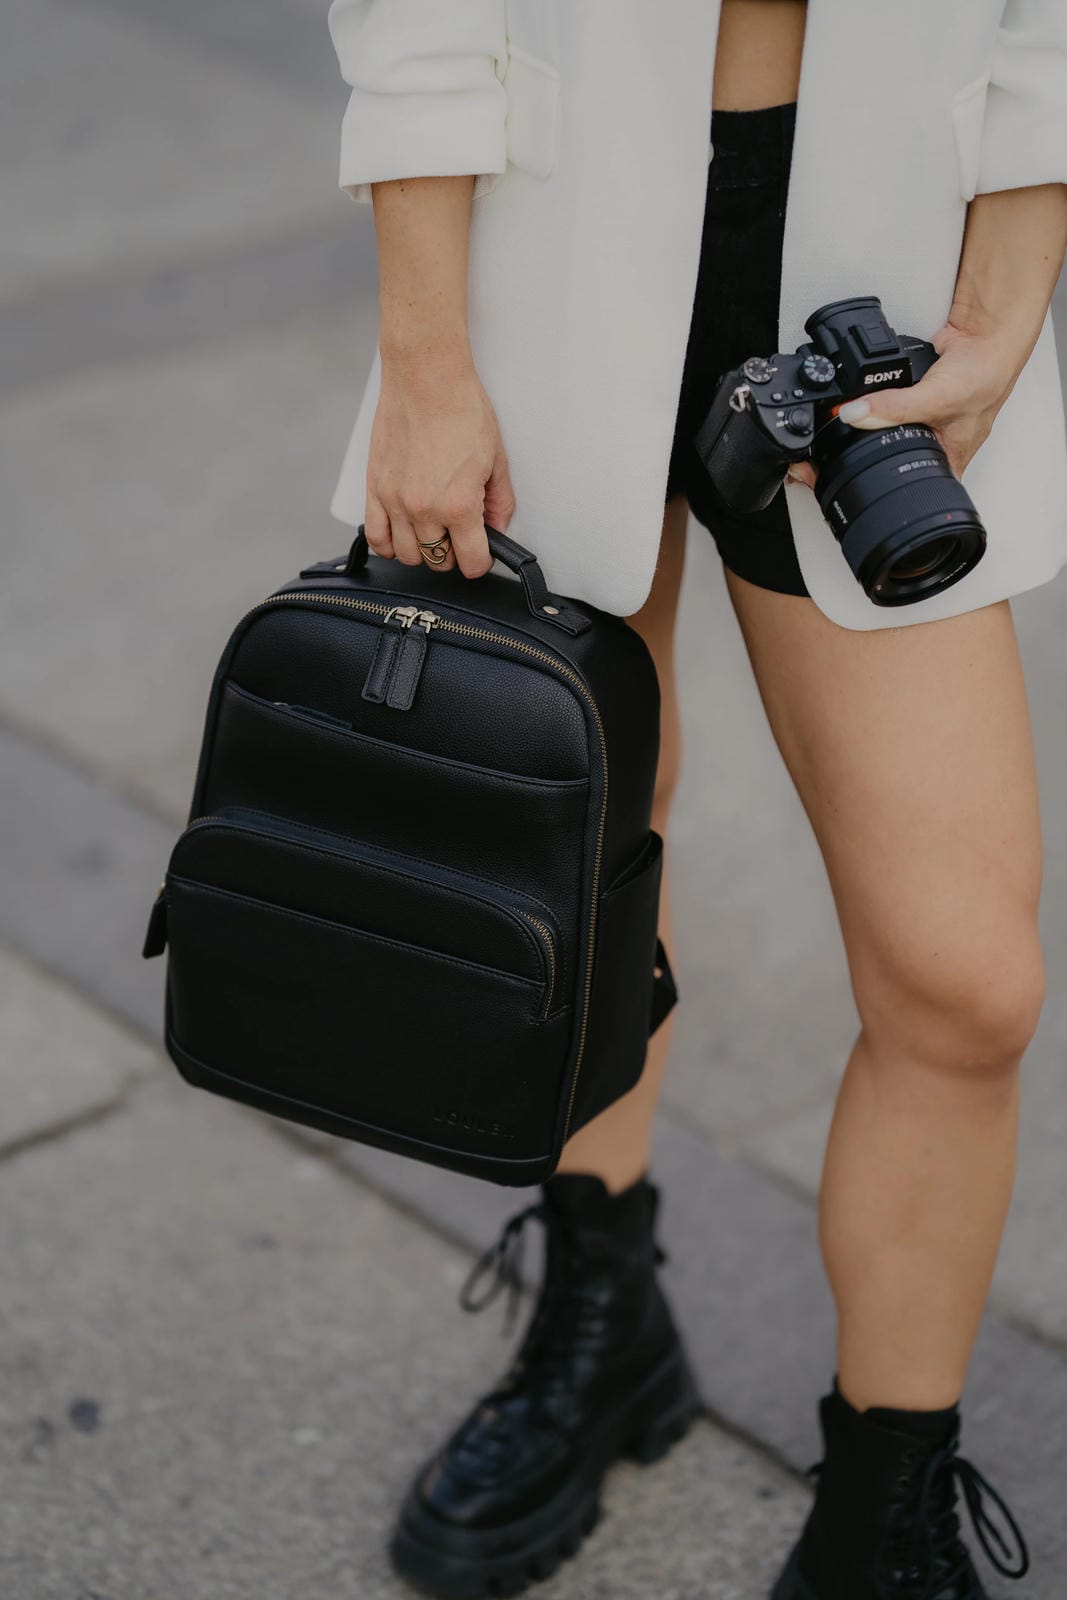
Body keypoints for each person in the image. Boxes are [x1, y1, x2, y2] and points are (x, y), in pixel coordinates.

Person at [324, 2, 1067, 1596]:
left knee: (967, 982)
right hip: (556, 236)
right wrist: (424, 358)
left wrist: (1011, 300)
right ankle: (603, 1320)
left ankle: (886, 1501)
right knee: (575, 859)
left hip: (890, 281)